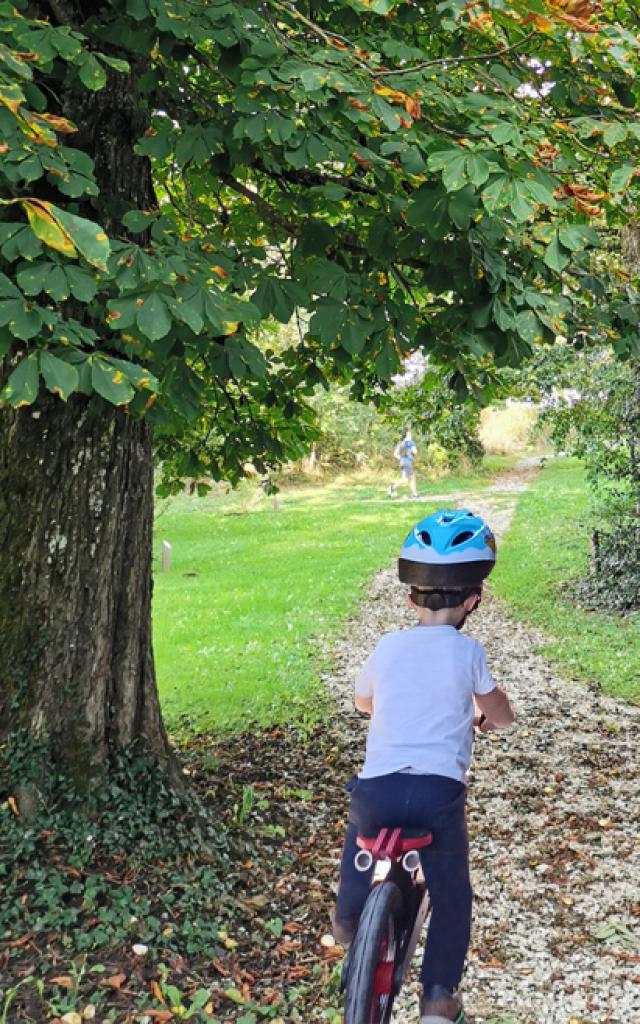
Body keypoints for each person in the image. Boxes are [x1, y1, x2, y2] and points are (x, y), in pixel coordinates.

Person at [332, 510, 515, 1024]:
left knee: (360, 826)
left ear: (410, 598)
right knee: (453, 894)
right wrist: (491, 716)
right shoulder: (469, 652)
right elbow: (498, 713)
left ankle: (347, 920)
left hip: (379, 792)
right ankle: (437, 998)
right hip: (437, 796)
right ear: (474, 600)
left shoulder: (387, 647)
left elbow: (362, 702)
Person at [388, 427, 419, 499]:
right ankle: (392, 487)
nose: (411, 436)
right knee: (406, 479)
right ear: (407, 435)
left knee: (412, 477)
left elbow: (395, 454)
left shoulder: (400, 443)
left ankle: (415, 494)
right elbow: (415, 451)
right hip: (407, 462)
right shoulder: (410, 442)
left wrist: (402, 458)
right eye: (410, 434)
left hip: (402, 462)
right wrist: (411, 455)